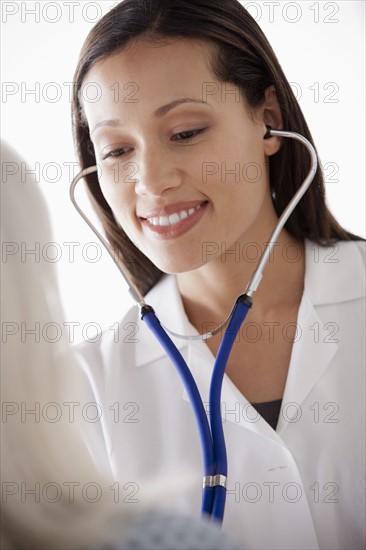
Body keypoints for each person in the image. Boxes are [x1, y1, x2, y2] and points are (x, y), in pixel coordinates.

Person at [71, 0, 365, 548]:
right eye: (115, 150)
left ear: (269, 121)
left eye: (184, 132)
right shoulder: (79, 392)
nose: (151, 182)